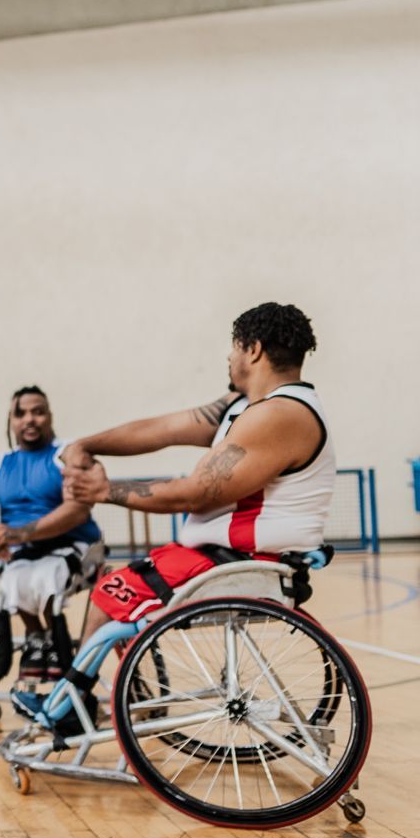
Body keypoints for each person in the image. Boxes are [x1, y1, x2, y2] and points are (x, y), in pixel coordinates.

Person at [40, 303, 334, 739]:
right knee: (117, 594)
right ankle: (106, 699)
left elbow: (198, 490)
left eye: (233, 350)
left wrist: (104, 492)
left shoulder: (278, 415)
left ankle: (70, 706)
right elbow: (165, 427)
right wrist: (88, 444)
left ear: (253, 350)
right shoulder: (245, 405)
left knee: (108, 594)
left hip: (243, 561)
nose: (229, 361)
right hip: (222, 556)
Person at [0, 387, 103, 679]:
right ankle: (38, 638)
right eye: (21, 413)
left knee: (48, 576)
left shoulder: (66, 455)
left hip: (75, 544)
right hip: (25, 549)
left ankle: (60, 656)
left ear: (50, 416)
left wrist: (17, 533)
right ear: (11, 421)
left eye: (38, 412)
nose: (30, 419)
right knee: (12, 578)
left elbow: (77, 510)